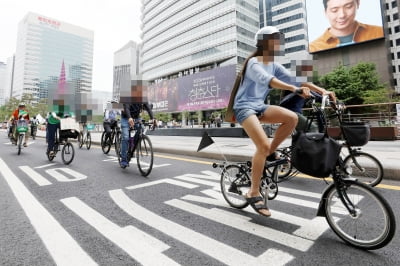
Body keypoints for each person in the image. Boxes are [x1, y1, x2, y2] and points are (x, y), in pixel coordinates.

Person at [232, 26, 333, 217]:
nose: (278, 43)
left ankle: (271, 152)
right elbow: (268, 80)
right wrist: (293, 90)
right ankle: (253, 192)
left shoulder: (274, 64)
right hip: (244, 107)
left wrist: (321, 90)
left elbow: (297, 80)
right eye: (274, 39)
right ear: (263, 42)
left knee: (291, 117)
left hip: (259, 106)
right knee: (261, 145)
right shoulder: (254, 62)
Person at [279, 59, 336, 132]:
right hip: (289, 113)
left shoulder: (306, 88)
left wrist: (335, 102)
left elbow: (319, 96)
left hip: (296, 114)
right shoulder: (293, 83)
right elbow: (302, 83)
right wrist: (323, 90)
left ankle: (299, 143)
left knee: (301, 134)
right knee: (312, 128)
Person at [309, 0, 384, 53]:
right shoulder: (314, 47)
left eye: (348, 6)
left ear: (357, 3)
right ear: (325, 12)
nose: (342, 15)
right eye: (334, 10)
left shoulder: (379, 32)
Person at [120, 102, 154, 168]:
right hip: (126, 118)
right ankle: (123, 160)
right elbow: (126, 107)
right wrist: (129, 118)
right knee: (126, 137)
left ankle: (132, 145)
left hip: (136, 118)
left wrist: (153, 118)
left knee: (142, 128)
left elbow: (148, 108)